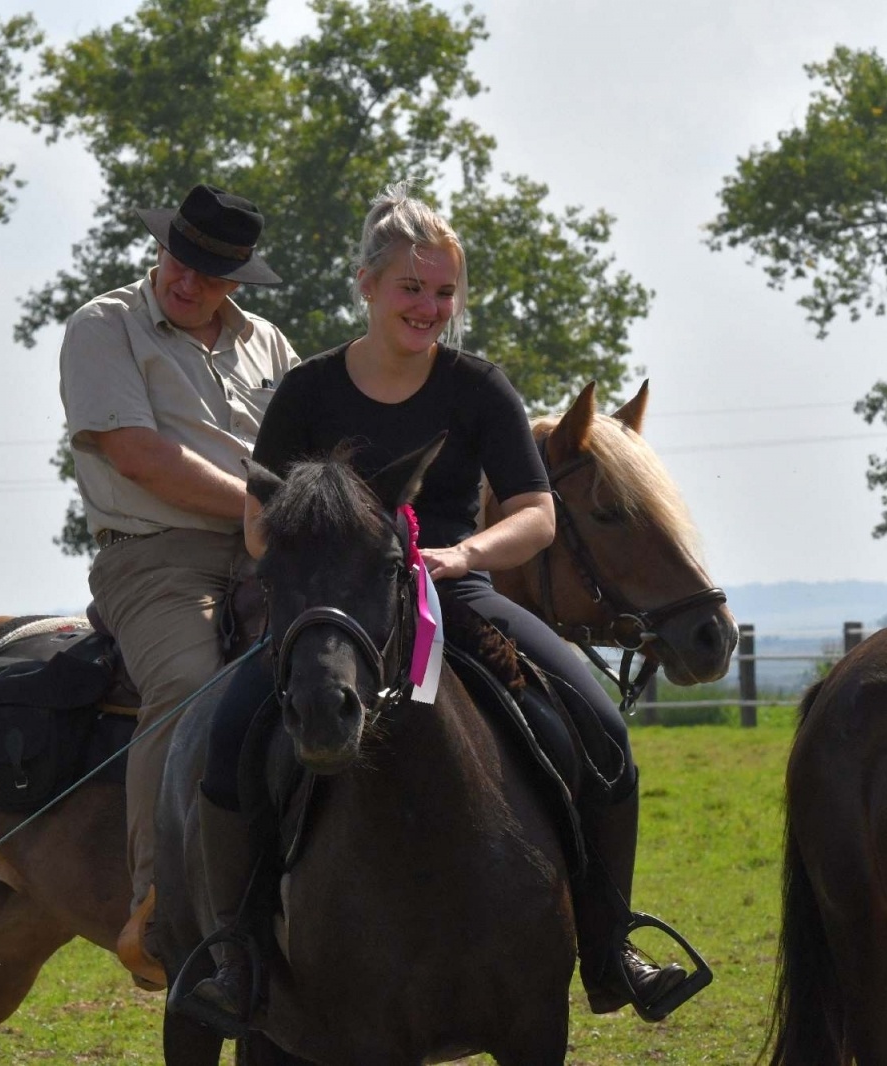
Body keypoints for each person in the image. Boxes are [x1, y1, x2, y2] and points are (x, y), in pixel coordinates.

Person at [181, 183, 691, 1030]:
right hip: (331, 607)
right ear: (367, 285)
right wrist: (328, 552)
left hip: (454, 587)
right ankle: (239, 953)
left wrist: (463, 554)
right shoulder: (306, 392)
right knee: (231, 735)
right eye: (411, 287)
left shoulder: (479, 387)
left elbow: (537, 514)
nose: (429, 307)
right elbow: (259, 525)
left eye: (444, 291)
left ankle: (609, 945)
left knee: (601, 725)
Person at [58, 183, 297, 988]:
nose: (185, 281)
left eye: (209, 273)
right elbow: (139, 456)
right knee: (191, 682)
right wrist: (263, 508)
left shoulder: (269, 344)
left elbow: (308, 449)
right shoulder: (104, 327)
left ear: (237, 278)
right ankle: (159, 906)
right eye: (177, 259)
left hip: (269, 551)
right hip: (152, 555)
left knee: (345, 664)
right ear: (163, 247)